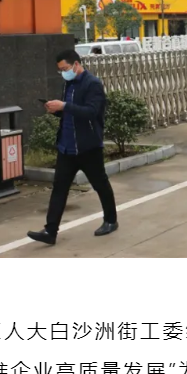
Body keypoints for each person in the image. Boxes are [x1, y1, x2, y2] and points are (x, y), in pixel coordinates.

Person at [27, 50, 118, 245]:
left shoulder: (92, 84)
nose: (63, 73)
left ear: (76, 64)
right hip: (66, 147)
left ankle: (111, 220)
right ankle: (50, 231)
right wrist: (55, 110)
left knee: (100, 184)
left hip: (88, 147)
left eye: (65, 68)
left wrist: (64, 106)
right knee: (59, 188)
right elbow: (68, 112)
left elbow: (91, 112)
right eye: (60, 70)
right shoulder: (67, 84)